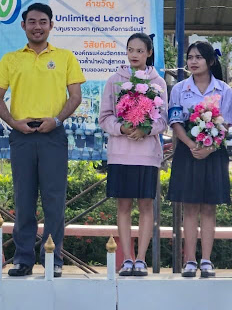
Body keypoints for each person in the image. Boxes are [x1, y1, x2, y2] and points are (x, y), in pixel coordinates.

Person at [0, 2, 85, 278]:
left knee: (54, 201)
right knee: (24, 200)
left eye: (43, 22)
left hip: (53, 135)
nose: (37, 27)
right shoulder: (11, 59)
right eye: (32, 22)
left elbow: (75, 97)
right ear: (23, 25)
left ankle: (53, 259)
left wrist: (56, 121)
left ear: (51, 25)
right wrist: (14, 123)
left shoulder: (65, 57)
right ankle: (22, 259)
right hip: (22, 135)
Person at [98, 33, 168, 277]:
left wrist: (146, 129)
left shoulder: (158, 82)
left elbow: (163, 120)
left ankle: (141, 259)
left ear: (149, 53)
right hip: (120, 154)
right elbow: (104, 117)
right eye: (130, 50)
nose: (134, 55)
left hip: (147, 155)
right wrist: (122, 128)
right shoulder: (114, 81)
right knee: (124, 205)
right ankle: (127, 258)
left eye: (140, 50)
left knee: (146, 205)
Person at [167, 41, 232, 278]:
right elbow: (175, 121)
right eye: (190, 57)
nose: (193, 62)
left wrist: (210, 147)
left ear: (210, 61)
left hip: (214, 153)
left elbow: (226, 123)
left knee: (209, 207)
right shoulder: (179, 89)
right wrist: (191, 144)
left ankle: (206, 260)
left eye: (198, 57)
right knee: (190, 206)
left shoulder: (224, 90)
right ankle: (190, 261)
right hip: (188, 151)